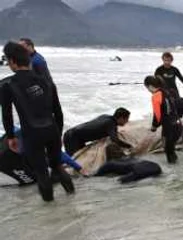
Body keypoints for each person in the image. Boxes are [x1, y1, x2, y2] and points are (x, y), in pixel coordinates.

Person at [1, 41, 73, 201]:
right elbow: (58, 112)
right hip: (52, 130)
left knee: (41, 172)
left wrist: (11, 137)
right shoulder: (47, 81)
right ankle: (72, 198)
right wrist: (59, 133)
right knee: (58, 167)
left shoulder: (8, 84)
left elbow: (6, 114)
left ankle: (50, 212)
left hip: (32, 134)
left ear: (12, 61)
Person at [62, 108, 133, 156]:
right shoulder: (111, 123)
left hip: (74, 135)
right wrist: (129, 146)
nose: (127, 121)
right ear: (121, 118)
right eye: (126, 119)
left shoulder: (105, 116)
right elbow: (115, 140)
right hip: (72, 137)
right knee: (74, 159)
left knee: (81, 157)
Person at [144, 75, 180, 164]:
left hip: (169, 127)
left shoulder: (156, 96)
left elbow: (157, 116)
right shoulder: (166, 92)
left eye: (147, 88)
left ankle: (173, 175)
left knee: (168, 151)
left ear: (150, 86)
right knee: (172, 150)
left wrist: (154, 126)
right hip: (178, 124)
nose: (148, 91)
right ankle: (177, 171)